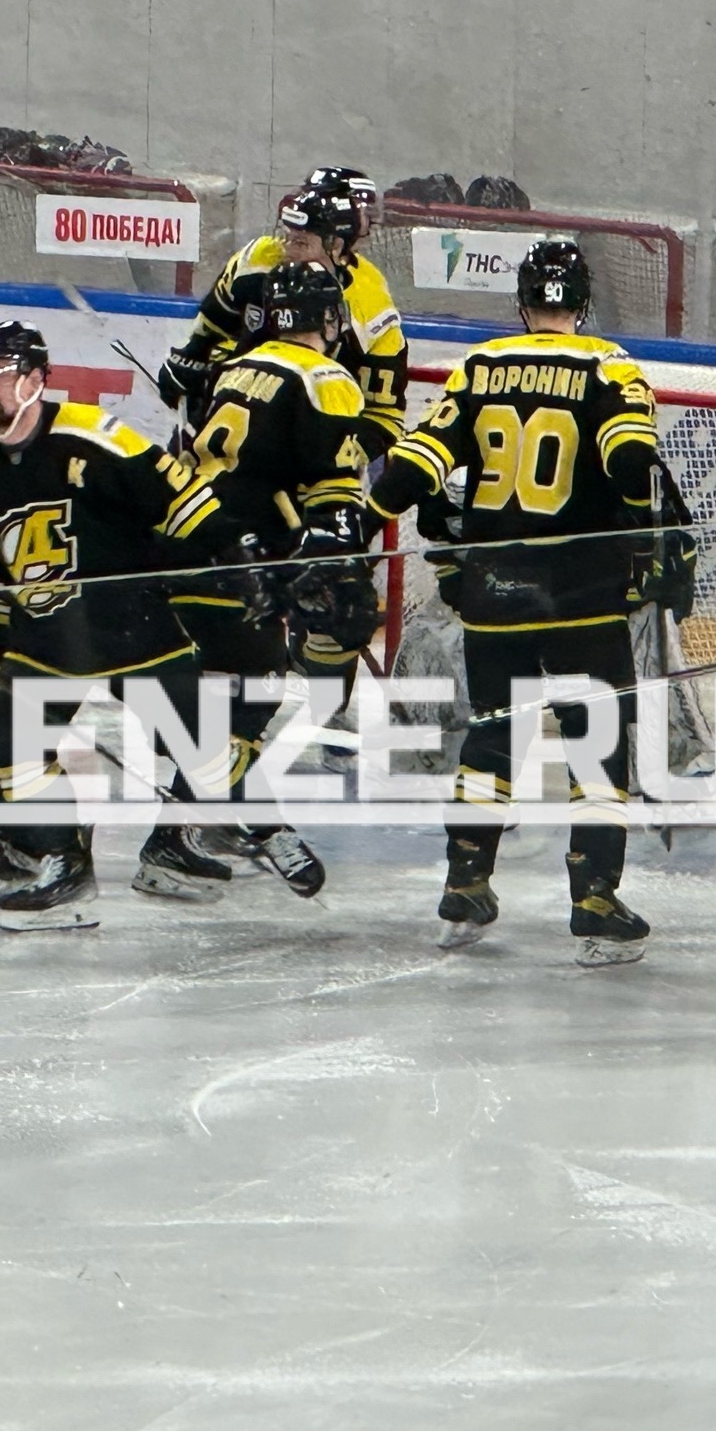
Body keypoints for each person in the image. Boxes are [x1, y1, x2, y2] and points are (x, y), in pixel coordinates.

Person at [0, 319, 254, 926]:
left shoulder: (98, 438)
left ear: (35, 380)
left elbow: (188, 509)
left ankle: (204, 837)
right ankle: (55, 859)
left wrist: (244, 564)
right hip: (38, 629)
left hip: (129, 618)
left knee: (199, 737)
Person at [365, 237, 665, 965]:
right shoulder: (611, 367)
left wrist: (369, 514)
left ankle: (466, 880)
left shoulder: (480, 366)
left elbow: (414, 467)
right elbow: (633, 464)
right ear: (583, 303)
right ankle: (593, 896)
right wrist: (645, 534)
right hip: (583, 595)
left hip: (495, 593)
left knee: (494, 736)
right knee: (597, 743)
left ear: (523, 302)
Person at [174, 258, 383, 898]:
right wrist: (336, 560)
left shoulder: (240, 366)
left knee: (228, 701)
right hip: (244, 566)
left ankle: (174, 840)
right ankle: (261, 824)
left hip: (192, 545)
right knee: (247, 700)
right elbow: (334, 491)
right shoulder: (327, 377)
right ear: (330, 320)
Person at [159, 170, 408, 460]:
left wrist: (334, 459)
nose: (286, 249)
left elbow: (385, 418)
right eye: (287, 237)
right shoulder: (258, 259)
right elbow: (214, 324)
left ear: (336, 244)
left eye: (300, 243)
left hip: (312, 434)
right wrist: (192, 361)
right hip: (234, 416)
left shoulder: (371, 301)